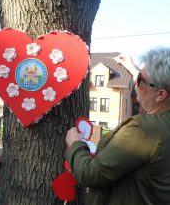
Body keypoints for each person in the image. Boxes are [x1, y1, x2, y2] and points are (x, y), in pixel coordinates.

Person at [65, 46, 170, 205]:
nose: (135, 82)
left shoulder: (143, 131)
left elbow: (91, 174)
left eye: (141, 80)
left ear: (161, 95)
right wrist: (134, 71)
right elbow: (150, 86)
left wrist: (75, 144)